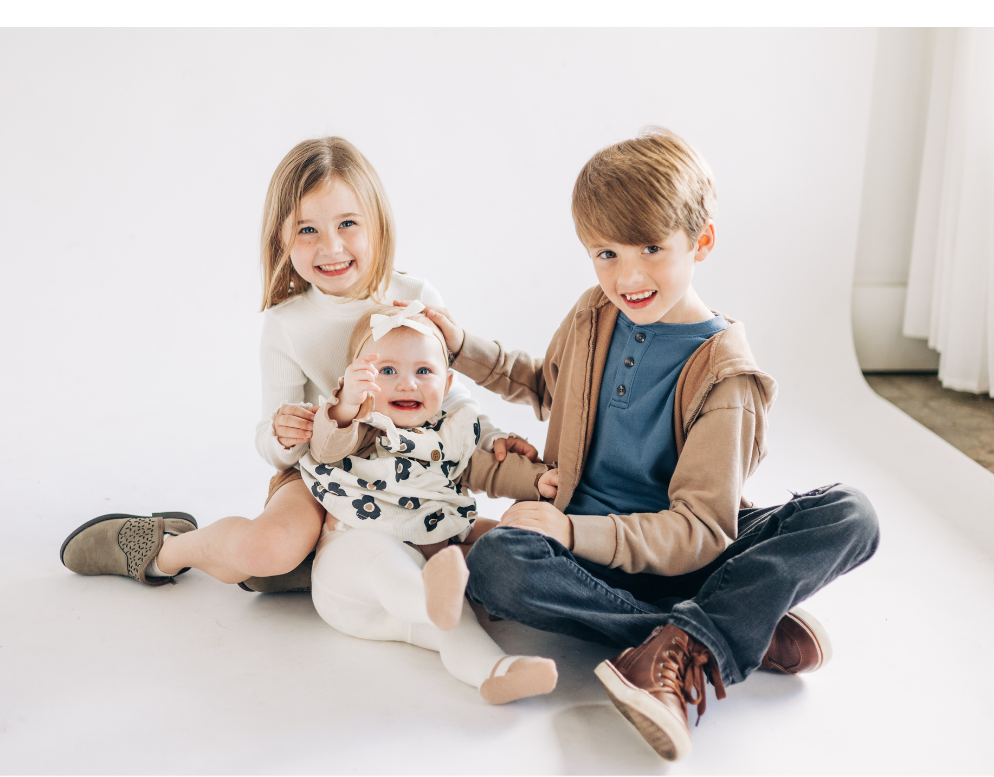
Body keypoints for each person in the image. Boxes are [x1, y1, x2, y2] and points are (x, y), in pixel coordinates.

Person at [419, 130, 880, 761]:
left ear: (702, 242)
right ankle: (720, 627)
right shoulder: (594, 315)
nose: (628, 275)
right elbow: (545, 385)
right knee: (499, 561)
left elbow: (700, 532)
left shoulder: (725, 376)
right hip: (584, 552)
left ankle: (689, 636)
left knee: (850, 513)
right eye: (605, 254)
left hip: (683, 553)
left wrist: (569, 533)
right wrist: (459, 346)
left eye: (651, 248)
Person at [58, 137, 536, 589]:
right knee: (270, 551)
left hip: (407, 469)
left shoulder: (414, 297)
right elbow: (270, 440)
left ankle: (310, 568)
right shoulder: (288, 324)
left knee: (470, 553)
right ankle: (165, 549)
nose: (330, 247)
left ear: (377, 223)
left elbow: (449, 393)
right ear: (282, 239)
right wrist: (286, 436)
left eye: (347, 224)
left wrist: (492, 439)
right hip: (322, 469)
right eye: (308, 230)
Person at [306, 302, 559, 704]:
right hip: (351, 581)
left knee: (455, 624)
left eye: (423, 371)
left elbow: (487, 470)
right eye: (386, 371)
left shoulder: (449, 438)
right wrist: (347, 404)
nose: (407, 384)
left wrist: (539, 481)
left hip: (414, 604)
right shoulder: (363, 426)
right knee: (379, 555)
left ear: (447, 384)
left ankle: (496, 672)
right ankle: (429, 596)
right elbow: (326, 446)